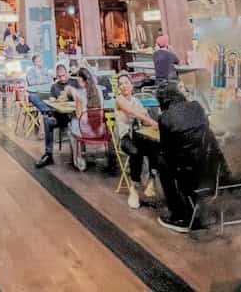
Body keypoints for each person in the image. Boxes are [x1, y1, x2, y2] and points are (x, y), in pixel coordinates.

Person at [154, 86, 227, 232]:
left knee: (162, 165)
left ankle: (178, 215)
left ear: (162, 101)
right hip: (210, 166)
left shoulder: (165, 117)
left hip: (188, 171)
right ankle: (198, 206)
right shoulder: (196, 106)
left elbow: (167, 150)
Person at [115, 72, 161, 208]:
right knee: (135, 152)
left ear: (131, 85)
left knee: (155, 144)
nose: (123, 86)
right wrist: (152, 122)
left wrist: (156, 124)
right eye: (121, 84)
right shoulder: (119, 99)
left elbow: (144, 117)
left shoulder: (136, 101)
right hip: (125, 138)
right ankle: (134, 189)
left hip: (138, 135)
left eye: (126, 83)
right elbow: (133, 112)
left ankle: (152, 180)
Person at [69, 67, 104, 171]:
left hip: (86, 133)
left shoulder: (79, 94)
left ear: (81, 80)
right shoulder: (99, 90)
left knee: (71, 127)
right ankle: (109, 156)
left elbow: (79, 115)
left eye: (78, 80)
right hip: (100, 131)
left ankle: (78, 160)